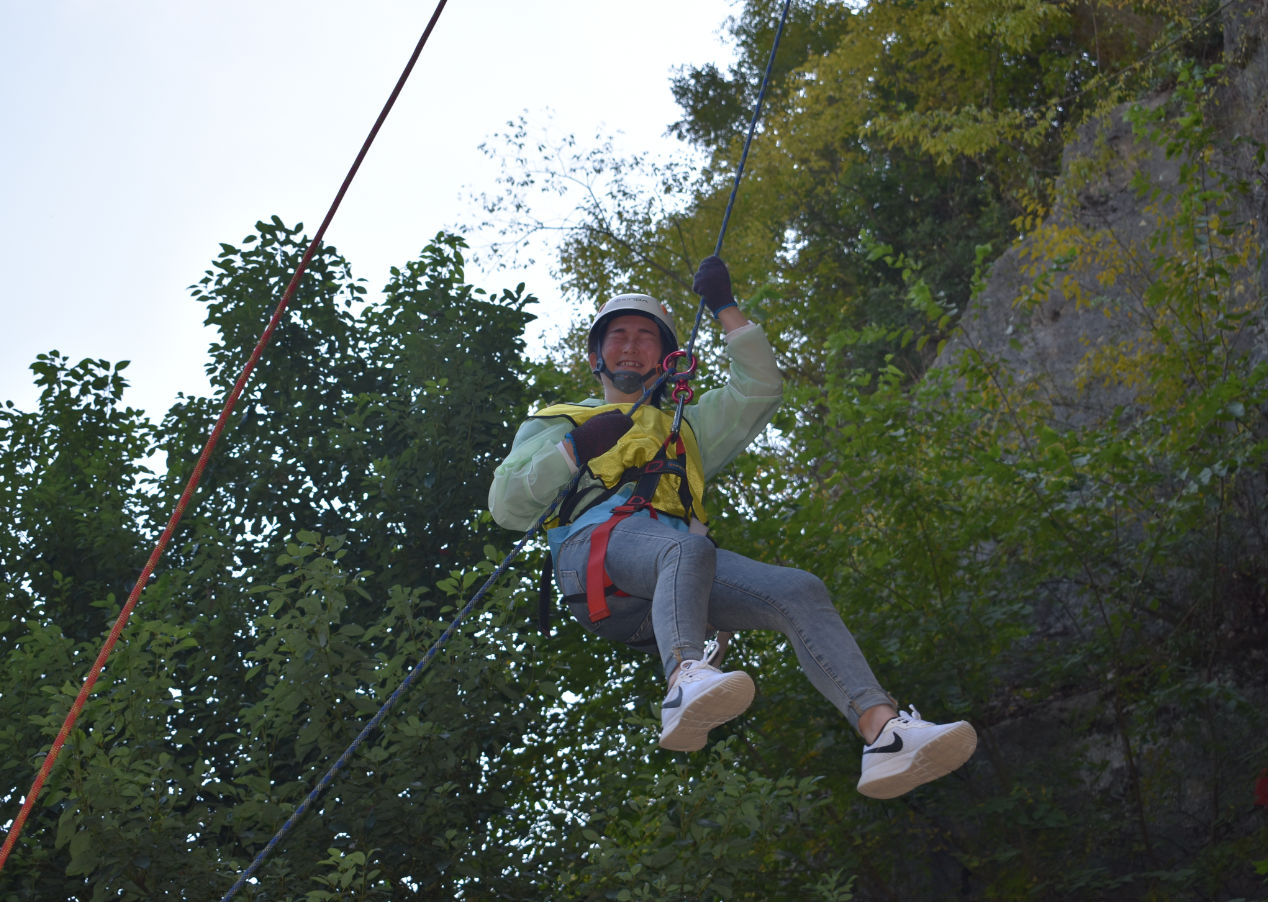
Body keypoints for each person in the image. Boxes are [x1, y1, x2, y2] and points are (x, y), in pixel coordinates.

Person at [489, 256, 976, 799]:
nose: (630, 346)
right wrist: (573, 448)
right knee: (684, 551)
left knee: (798, 590)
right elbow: (506, 505)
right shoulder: (559, 419)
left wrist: (726, 308)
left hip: (667, 577)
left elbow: (759, 390)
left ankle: (883, 732)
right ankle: (683, 681)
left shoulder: (686, 425)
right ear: (594, 355)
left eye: (646, 337)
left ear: (666, 357)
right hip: (593, 562)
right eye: (617, 336)